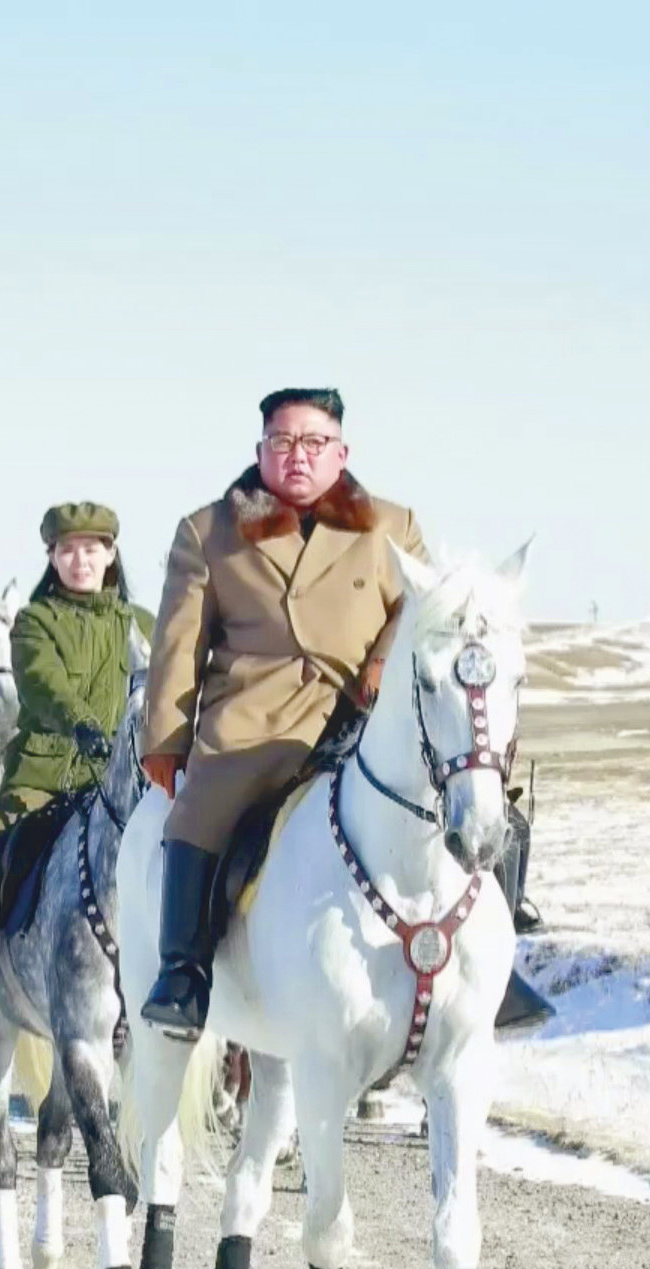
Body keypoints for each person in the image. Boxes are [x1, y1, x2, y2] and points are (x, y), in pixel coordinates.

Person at [139, 385, 551, 1039]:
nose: (296, 456)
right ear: (260, 450)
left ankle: (497, 978)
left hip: (364, 715)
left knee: (488, 801)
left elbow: (420, 613)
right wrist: (164, 738)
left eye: (313, 442)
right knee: (200, 809)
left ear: (340, 451)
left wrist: (383, 664)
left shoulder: (390, 525)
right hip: (254, 723)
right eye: (281, 442)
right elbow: (177, 643)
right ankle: (183, 974)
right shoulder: (207, 531)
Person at [0, 502, 149, 1021]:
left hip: (116, 777)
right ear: (51, 556)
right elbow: (43, 683)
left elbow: (155, 671)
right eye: (68, 551)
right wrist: (81, 722)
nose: (80, 561)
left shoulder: (132, 623)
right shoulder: (33, 621)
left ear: (110, 555)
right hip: (44, 774)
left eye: (91, 549)